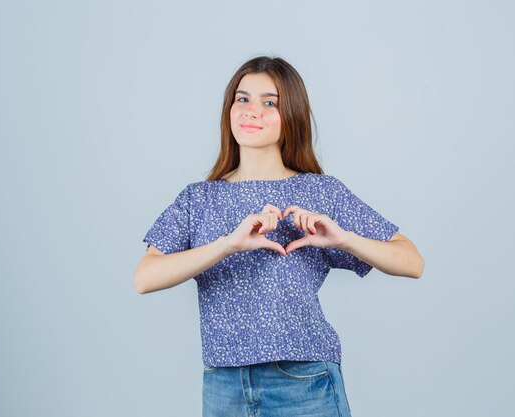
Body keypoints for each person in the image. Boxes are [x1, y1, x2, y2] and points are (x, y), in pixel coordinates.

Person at [134, 55, 424, 417]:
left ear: (293, 116)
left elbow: (411, 261)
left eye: (270, 103)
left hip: (303, 380)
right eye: (243, 99)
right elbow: (145, 277)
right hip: (223, 385)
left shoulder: (319, 192)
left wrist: (344, 239)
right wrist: (228, 244)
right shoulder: (198, 198)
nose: (252, 111)